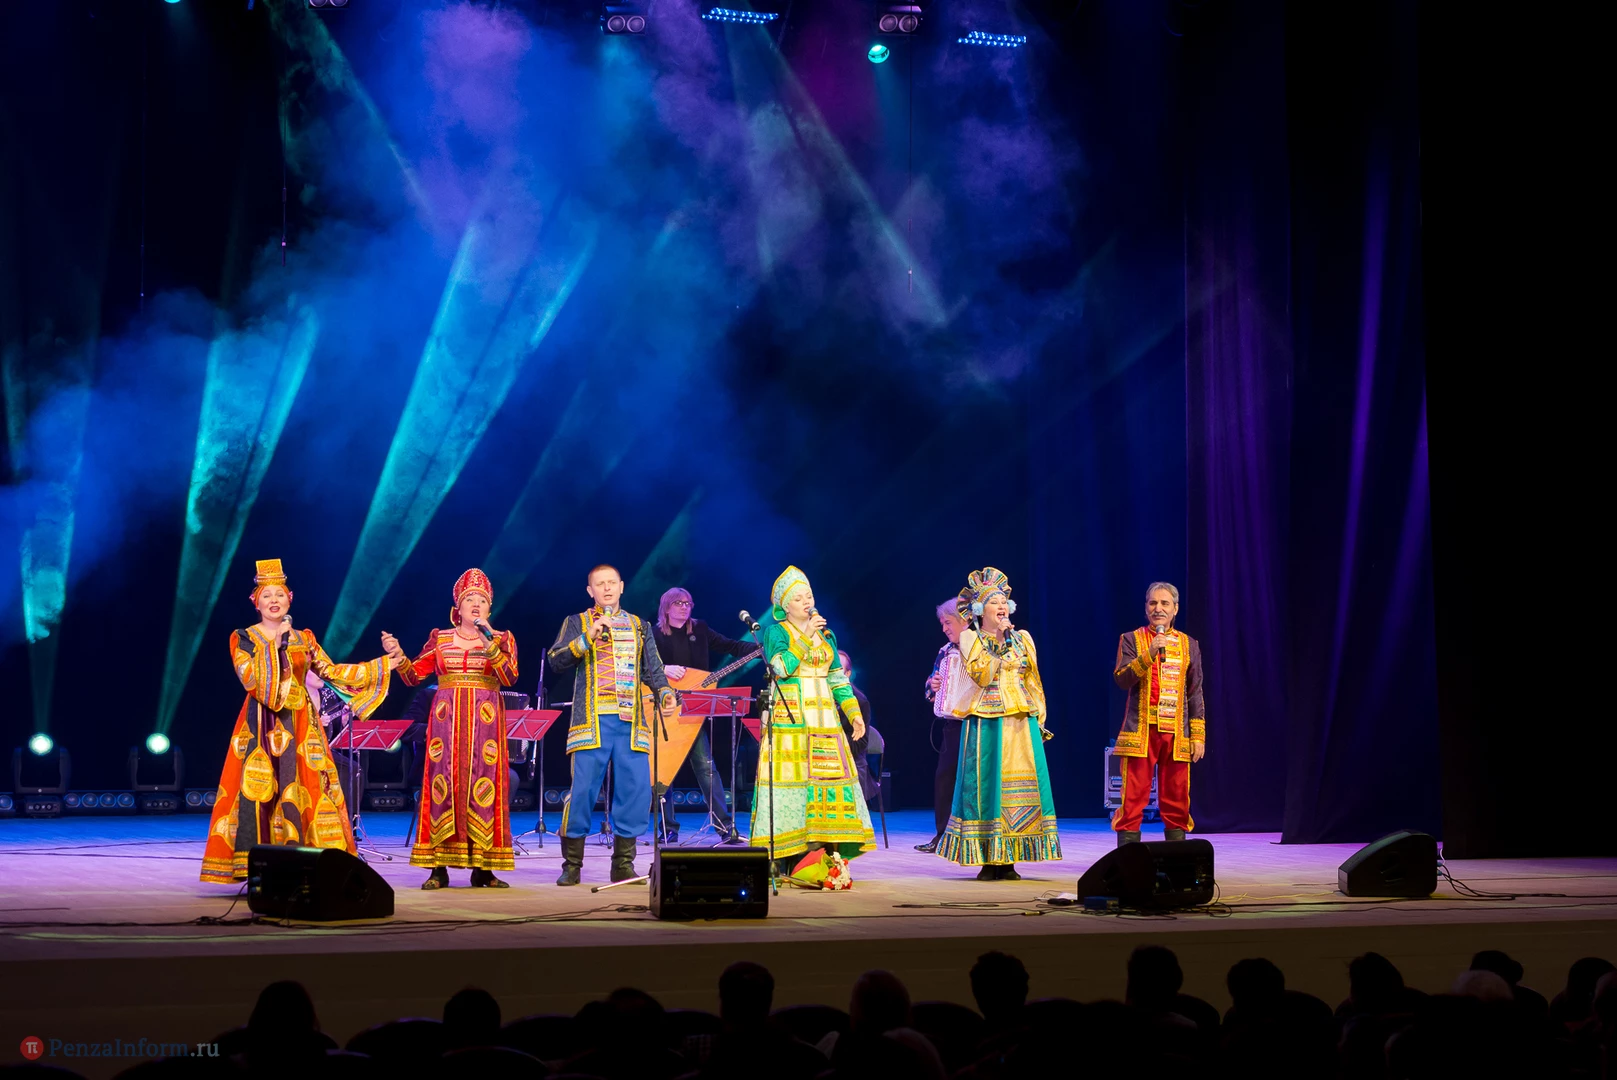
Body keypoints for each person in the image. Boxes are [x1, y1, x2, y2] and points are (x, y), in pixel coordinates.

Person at [200, 559, 404, 884]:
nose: (274, 601)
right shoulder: (244, 637)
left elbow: (332, 672)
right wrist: (276, 646)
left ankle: (308, 861)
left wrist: (383, 665)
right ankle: (260, 866)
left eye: (279, 594)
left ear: (290, 599)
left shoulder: (304, 638)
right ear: (256, 602)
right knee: (262, 790)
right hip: (261, 723)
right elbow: (250, 677)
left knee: (308, 787)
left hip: (301, 722)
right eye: (267, 596)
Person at [548, 564, 679, 886]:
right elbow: (556, 660)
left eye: (611, 583)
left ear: (621, 586)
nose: (606, 588)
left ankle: (623, 864)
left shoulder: (639, 626)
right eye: (599, 584)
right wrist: (587, 638)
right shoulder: (577, 622)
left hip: (630, 722)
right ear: (590, 590)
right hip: (592, 721)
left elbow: (653, 670)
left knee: (635, 792)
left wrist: (664, 693)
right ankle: (572, 864)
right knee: (582, 792)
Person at [398, 568, 519, 889]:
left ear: (489, 608)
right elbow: (413, 676)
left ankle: (484, 868)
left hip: (485, 725)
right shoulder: (440, 639)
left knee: (485, 786)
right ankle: (438, 868)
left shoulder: (502, 639)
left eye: (482, 600)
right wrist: (398, 656)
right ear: (458, 609)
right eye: (470, 600)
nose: (476, 605)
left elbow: (509, 677)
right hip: (446, 725)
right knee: (443, 787)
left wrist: (489, 644)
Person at [749, 566, 876, 872]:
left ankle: (822, 852)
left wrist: (854, 714)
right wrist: (805, 636)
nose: (806, 602)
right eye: (798, 598)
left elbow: (838, 680)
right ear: (785, 607)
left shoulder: (826, 635)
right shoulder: (776, 633)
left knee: (826, 784)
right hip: (790, 721)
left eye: (809, 596)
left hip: (824, 722)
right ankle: (783, 854)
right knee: (790, 787)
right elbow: (781, 668)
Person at [938, 567, 1060, 881]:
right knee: (987, 787)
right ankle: (988, 859)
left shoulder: (1023, 638)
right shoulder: (970, 638)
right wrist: (1000, 641)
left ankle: (1010, 859)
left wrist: (1039, 717)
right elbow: (981, 674)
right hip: (986, 722)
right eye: (994, 602)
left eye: (1004, 601)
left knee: (1016, 789)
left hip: (1020, 721)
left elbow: (1033, 679)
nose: (1002, 606)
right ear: (980, 609)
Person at [651, 586, 754, 844]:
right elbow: (642, 665)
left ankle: (725, 827)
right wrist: (664, 668)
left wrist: (760, 648)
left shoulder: (700, 629)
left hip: (694, 710)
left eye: (688, 603)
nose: (684, 607)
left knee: (707, 768)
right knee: (665, 770)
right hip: (664, 710)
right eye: (678, 603)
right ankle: (668, 827)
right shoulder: (654, 634)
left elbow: (730, 645)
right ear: (666, 607)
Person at [1110, 581, 1206, 846]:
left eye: (1165, 603)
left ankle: (1176, 856)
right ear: (1146, 608)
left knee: (1177, 796)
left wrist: (1198, 735)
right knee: (1133, 796)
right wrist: (1150, 653)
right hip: (1140, 729)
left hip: (1177, 732)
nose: (1158, 608)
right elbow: (1122, 679)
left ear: (1175, 609)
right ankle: (1128, 856)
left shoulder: (1189, 644)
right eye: (1153, 603)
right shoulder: (1131, 639)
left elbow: (1195, 691)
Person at [917, 599, 969, 853]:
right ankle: (942, 836)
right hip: (953, 725)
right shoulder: (946, 651)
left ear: (964, 620)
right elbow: (930, 687)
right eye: (942, 624)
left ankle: (971, 837)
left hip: (978, 724)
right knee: (945, 779)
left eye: (948, 622)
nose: (944, 629)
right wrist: (933, 685)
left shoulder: (984, 647)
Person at [837, 649, 880, 805]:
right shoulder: (816, 697)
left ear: (847, 674)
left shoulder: (860, 701)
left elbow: (860, 744)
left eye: (837, 669)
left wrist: (832, 743)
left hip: (851, 762)